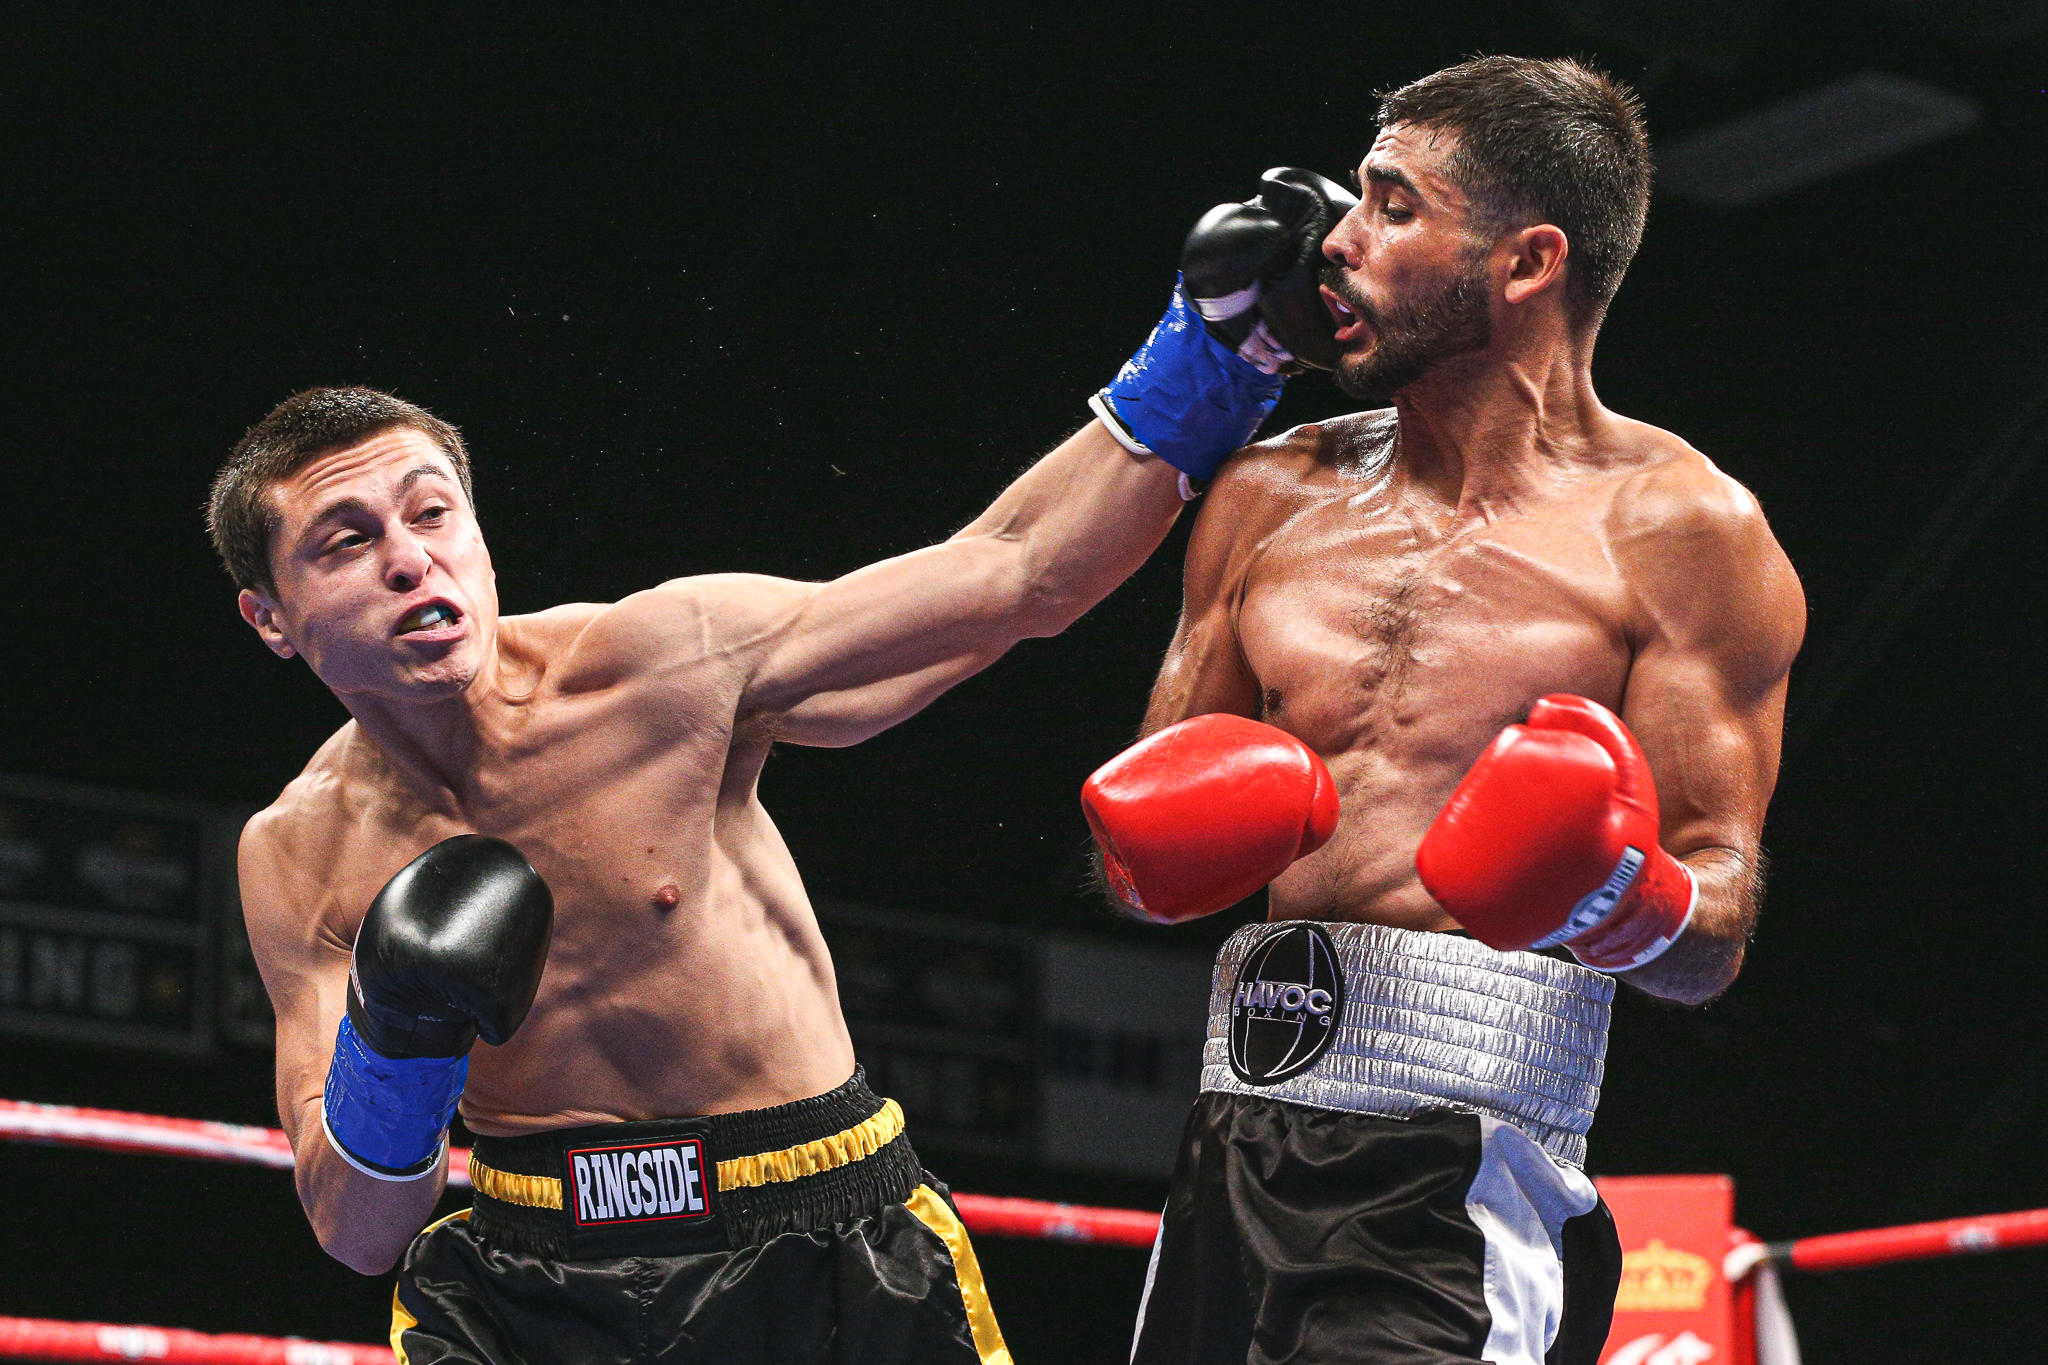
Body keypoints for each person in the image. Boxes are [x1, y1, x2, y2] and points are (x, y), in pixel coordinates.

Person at [210, 227, 1319, 1362]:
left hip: (818, 1238)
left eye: (431, 512)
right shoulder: (295, 851)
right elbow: (357, 1230)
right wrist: (395, 1048)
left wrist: (1221, 354)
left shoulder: (655, 666)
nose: (410, 560)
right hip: (528, 1280)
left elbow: (1014, 570)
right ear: (272, 620)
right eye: (347, 542)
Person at [1082, 57, 1806, 1365]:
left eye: (1393, 206)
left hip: (1460, 1181)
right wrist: (1154, 851)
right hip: (1230, 1147)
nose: (1338, 241)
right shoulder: (1267, 493)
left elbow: (1720, 925)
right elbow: (1139, 863)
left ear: (1527, 263)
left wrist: (1616, 896)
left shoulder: (1685, 534)